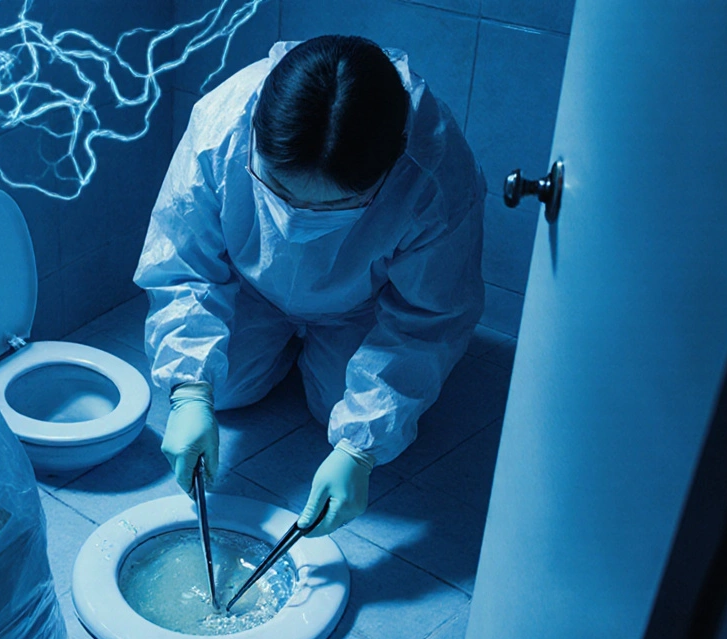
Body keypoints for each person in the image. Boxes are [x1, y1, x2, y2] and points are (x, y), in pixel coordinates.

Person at [134, 35, 486, 537]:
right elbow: (181, 261)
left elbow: (429, 320)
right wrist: (190, 390)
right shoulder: (222, 125)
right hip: (249, 287)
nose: (297, 220)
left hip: (360, 305)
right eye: (277, 190)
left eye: (330, 208)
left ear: (386, 172)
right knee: (225, 392)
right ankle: (281, 348)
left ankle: (314, 355)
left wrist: (358, 449)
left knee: (339, 414)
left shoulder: (435, 173)